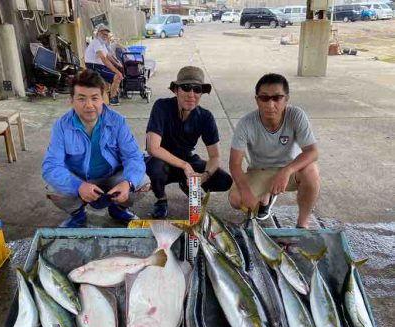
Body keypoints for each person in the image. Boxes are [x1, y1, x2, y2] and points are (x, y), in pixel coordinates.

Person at [42, 69, 150, 227]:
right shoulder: (62, 125)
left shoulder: (117, 121)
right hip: (79, 178)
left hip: (112, 177)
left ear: (103, 99)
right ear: (71, 100)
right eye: (81, 98)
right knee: (53, 188)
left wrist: (127, 183)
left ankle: (118, 208)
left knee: (141, 182)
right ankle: (77, 215)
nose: (89, 105)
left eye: (94, 98)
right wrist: (77, 186)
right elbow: (50, 166)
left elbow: (133, 157)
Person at [229, 73, 320, 228]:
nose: (270, 104)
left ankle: (303, 222)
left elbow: (312, 152)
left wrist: (286, 171)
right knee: (236, 199)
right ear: (257, 100)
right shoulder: (246, 123)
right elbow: (235, 164)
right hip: (260, 170)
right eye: (264, 98)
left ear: (286, 99)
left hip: (290, 170)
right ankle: (265, 198)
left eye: (277, 98)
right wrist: (246, 192)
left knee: (311, 172)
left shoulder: (296, 115)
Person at [145, 66, 233, 219]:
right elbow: (153, 148)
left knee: (224, 180)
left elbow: (215, 156)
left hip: (188, 159)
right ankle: (161, 200)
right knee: (155, 167)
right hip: (162, 160)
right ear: (176, 90)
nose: (191, 94)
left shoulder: (206, 117)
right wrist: (185, 166)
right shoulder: (161, 106)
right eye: (186, 88)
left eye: (197, 89)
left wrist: (204, 176)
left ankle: (187, 184)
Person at [84, 24, 123, 106]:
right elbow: (104, 59)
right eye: (103, 34)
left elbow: (108, 56)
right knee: (117, 76)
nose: (105, 36)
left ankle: (112, 93)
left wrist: (118, 64)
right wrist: (116, 71)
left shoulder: (102, 44)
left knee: (118, 74)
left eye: (106, 35)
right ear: (98, 34)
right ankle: (112, 98)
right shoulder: (96, 43)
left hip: (100, 66)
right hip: (94, 66)